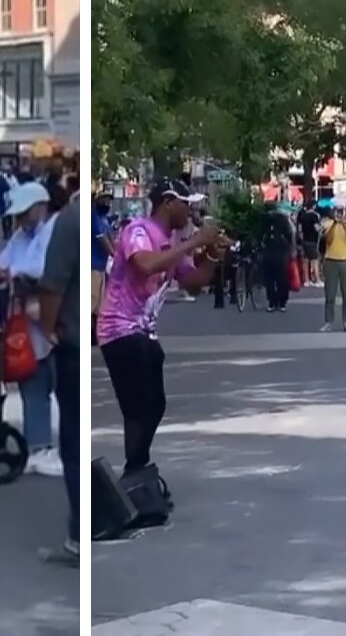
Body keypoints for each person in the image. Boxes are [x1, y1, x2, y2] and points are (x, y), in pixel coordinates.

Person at [97, 179, 227, 480]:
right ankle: (135, 472)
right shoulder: (139, 231)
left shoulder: (171, 241)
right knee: (138, 405)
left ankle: (138, 467)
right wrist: (194, 242)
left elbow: (193, 283)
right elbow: (145, 264)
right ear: (168, 203)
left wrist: (211, 256)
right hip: (118, 329)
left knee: (156, 403)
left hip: (143, 332)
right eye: (186, 202)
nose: (190, 209)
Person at [0, 182, 62, 477]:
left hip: (56, 318)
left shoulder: (55, 228)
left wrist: (11, 273)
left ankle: (63, 447)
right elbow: (4, 261)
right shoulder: (22, 234)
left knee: (63, 385)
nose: (18, 219)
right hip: (30, 320)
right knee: (33, 381)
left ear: (40, 208)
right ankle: (39, 447)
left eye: (24, 212)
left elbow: (41, 268)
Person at [39, 192, 81, 566]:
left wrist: (48, 328)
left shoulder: (70, 221)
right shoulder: (83, 220)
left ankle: (77, 536)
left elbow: (52, 285)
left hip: (72, 343)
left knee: (73, 440)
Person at [320, 207, 346, 332]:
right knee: (330, 294)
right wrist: (335, 224)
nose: (340, 214)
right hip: (331, 261)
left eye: (342, 212)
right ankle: (328, 322)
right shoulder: (329, 224)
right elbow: (328, 240)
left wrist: (344, 225)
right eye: (337, 212)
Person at [260, 204, 294, 312]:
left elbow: (260, 234)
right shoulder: (282, 219)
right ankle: (281, 302)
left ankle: (272, 302)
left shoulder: (266, 220)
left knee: (270, 278)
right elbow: (289, 234)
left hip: (270, 250)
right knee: (281, 278)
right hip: (280, 251)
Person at [92, 193, 115, 342]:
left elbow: (110, 238)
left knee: (98, 304)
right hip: (91, 265)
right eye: (104, 200)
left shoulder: (104, 220)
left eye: (108, 201)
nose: (107, 203)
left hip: (100, 266)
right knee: (91, 301)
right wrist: (115, 255)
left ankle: (94, 334)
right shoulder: (92, 217)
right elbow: (101, 239)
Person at [296, 203, 322, 288]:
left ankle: (306, 280)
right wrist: (322, 228)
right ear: (313, 206)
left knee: (305, 261)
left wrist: (302, 238)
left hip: (305, 240)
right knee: (314, 260)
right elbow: (317, 228)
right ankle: (317, 280)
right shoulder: (314, 216)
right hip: (312, 241)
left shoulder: (302, 216)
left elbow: (299, 229)